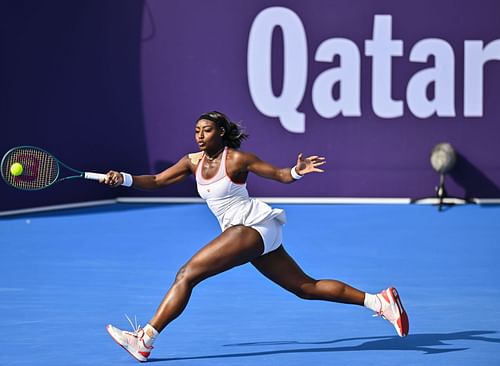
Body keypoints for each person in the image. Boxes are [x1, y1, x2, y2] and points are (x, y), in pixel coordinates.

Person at [102, 111, 409, 362]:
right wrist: (124, 179)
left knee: (186, 274)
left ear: (221, 132)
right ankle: (378, 302)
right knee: (305, 287)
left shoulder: (236, 159)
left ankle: (145, 340)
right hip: (255, 234)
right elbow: (156, 180)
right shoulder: (192, 161)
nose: (199, 135)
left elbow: (279, 175)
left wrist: (298, 171)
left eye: (206, 130)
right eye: (197, 130)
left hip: (250, 227)